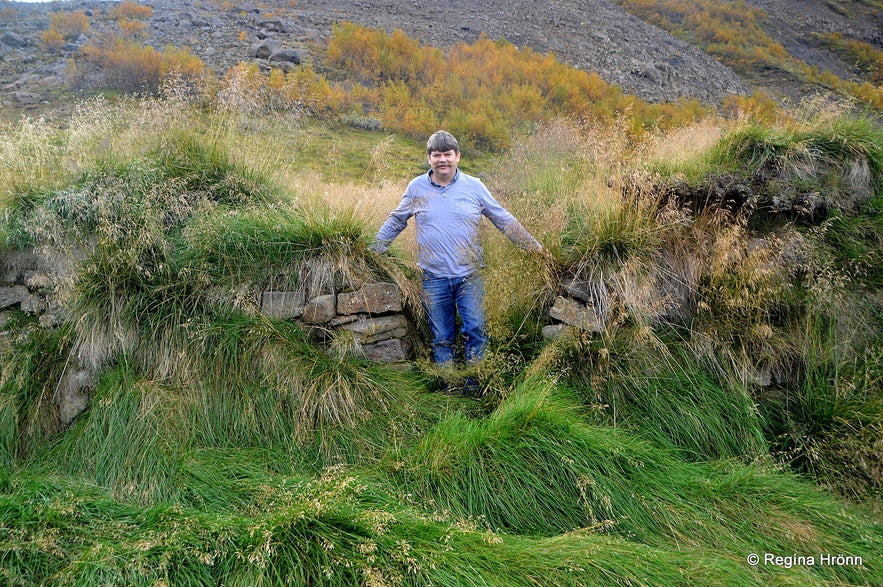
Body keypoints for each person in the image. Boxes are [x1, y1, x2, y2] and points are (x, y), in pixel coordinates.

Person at [370, 130, 548, 395]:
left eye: (447, 154)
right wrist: (373, 251)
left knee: (475, 329)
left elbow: (502, 218)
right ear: (429, 158)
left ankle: (474, 387)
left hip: (470, 275)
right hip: (433, 277)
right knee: (442, 337)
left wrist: (533, 247)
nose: (442, 159)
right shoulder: (416, 187)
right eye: (436, 155)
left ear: (457, 156)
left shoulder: (474, 186)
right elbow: (397, 221)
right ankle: (450, 387)